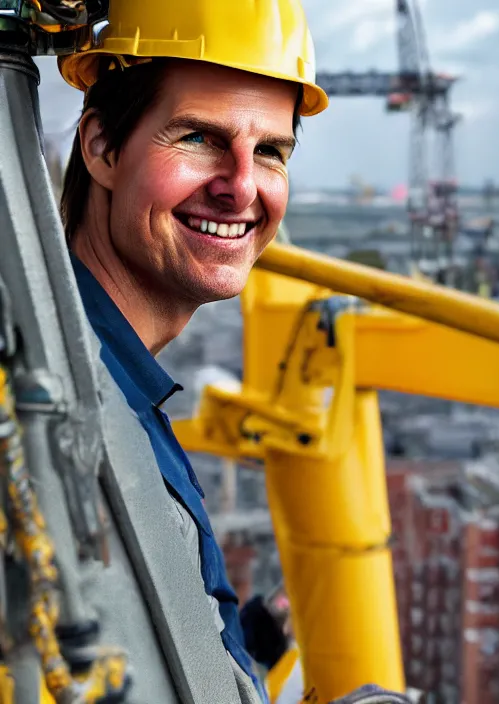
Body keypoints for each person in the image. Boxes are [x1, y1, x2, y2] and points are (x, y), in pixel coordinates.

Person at [57, 1, 411, 702]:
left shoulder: (107, 388)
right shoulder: (77, 419)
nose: (242, 186)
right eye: (198, 138)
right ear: (101, 148)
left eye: (271, 152)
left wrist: (239, 643)